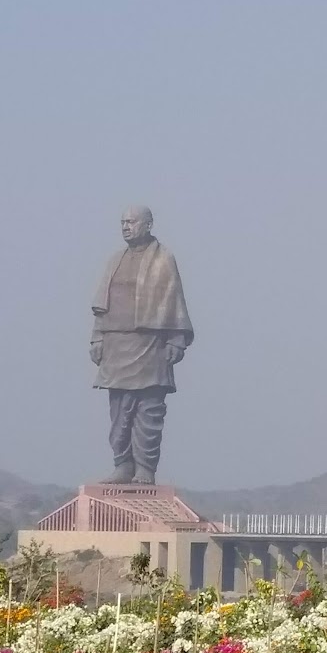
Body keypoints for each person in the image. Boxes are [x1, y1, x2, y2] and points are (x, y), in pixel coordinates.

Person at [90, 206, 193, 484]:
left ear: (148, 225)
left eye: (131, 222)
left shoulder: (163, 259)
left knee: (148, 409)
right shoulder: (115, 260)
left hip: (150, 345)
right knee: (119, 411)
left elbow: (174, 300)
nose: (126, 227)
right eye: (122, 222)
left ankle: (145, 467)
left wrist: (176, 340)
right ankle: (123, 464)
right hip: (115, 344)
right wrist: (97, 337)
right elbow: (101, 307)